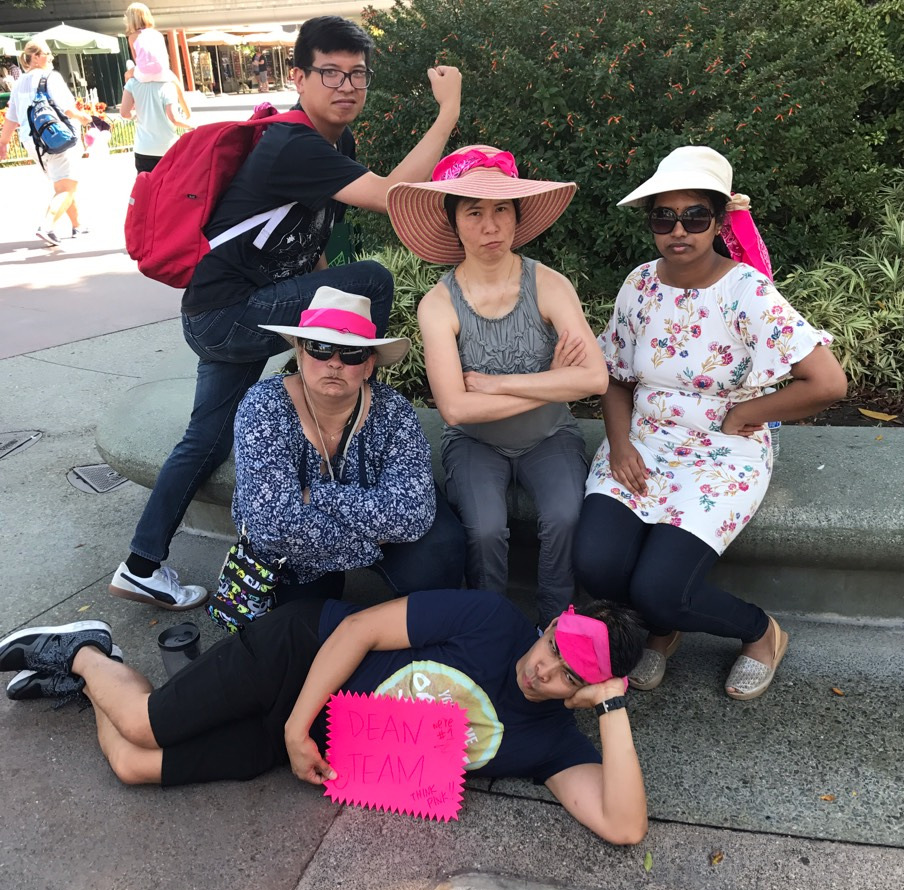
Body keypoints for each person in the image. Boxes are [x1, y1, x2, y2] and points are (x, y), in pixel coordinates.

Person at [108, 16, 462, 612]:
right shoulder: (292, 144)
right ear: (298, 77)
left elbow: (310, 240)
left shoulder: (334, 143)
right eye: (331, 73)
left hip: (225, 311)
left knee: (206, 438)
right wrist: (447, 112)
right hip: (228, 314)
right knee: (373, 280)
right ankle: (341, 399)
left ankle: (141, 565)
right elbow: (392, 199)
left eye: (357, 74)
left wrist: (319, 291)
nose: (346, 86)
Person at [0, 589, 648, 845]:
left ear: (588, 691)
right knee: (143, 724)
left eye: (570, 676)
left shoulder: (550, 743)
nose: (544, 670)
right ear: (550, 625)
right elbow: (361, 629)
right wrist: (294, 725)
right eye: (552, 647)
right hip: (298, 655)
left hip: (304, 745)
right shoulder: (493, 622)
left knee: (130, 763)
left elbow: (623, 826)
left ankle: (94, 673)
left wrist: (612, 707)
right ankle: (82, 650)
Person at [573, 146, 847, 701]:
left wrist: (746, 412)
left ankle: (760, 633)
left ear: (719, 221)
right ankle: (662, 631)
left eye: (695, 216)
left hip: (722, 451)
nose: (679, 230)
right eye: (664, 217)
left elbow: (827, 382)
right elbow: (617, 377)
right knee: (595, 564)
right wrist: (620, 445)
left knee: (660, 589)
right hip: (644, 441)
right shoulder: (640, 284)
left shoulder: (747, 292)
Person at [387, 145, 608, 628]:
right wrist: (553, 382)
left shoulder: (549, 284)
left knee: (565, 517)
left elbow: (594, 377)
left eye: (502, 209)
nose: (491, 226)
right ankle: (487, 625)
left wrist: (495, 384)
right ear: (454, 222)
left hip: (549, 435)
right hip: (475, 442)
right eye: (474, 212)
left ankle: (555, 624)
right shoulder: (438, 304)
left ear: (516, 216)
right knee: (485, 529)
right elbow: (455, 410)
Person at [223, 286, 465, 609]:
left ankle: (419, 625)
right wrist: (370, 544)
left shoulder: (392, 410)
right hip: (299, 554)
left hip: (323, 533)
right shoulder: (264, 406)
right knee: (294, 617)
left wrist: (316, 496)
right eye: (321, 348)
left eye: (351, 353)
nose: (335, 363)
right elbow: (273, 524)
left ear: (368, 365)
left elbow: (412, 513)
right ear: (300, 353)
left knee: (440, 552)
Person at [0, 39, 92, 246]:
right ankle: (47, 227)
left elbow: (12, 117)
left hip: (32, 141)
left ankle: (77, 225)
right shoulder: (51, 77)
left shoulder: (19, 83)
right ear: (35, 57)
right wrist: (85, 118)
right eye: (47, 53)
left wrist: (3, 142)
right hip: (57, 137)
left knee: (63, 181)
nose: (51, 57)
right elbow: (68, 109)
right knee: (67, 185)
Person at [123, 3, 191, 120]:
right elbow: (164, 55)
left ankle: (133, 102)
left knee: (127, 76)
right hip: (162, 72)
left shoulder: (132, 37)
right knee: (177, 84)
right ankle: (188, 112)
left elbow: (137, 59)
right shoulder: (158, 34)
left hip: (143, 74)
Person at [120, 72, 193, 174]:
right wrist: (190, 125)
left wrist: (136, 115)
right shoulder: (168, 84)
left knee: (146, 183)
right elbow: (174, 118)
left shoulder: (132, 83)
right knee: (170, 182)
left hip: (143, 148)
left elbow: (124, 113)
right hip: (167, 148)